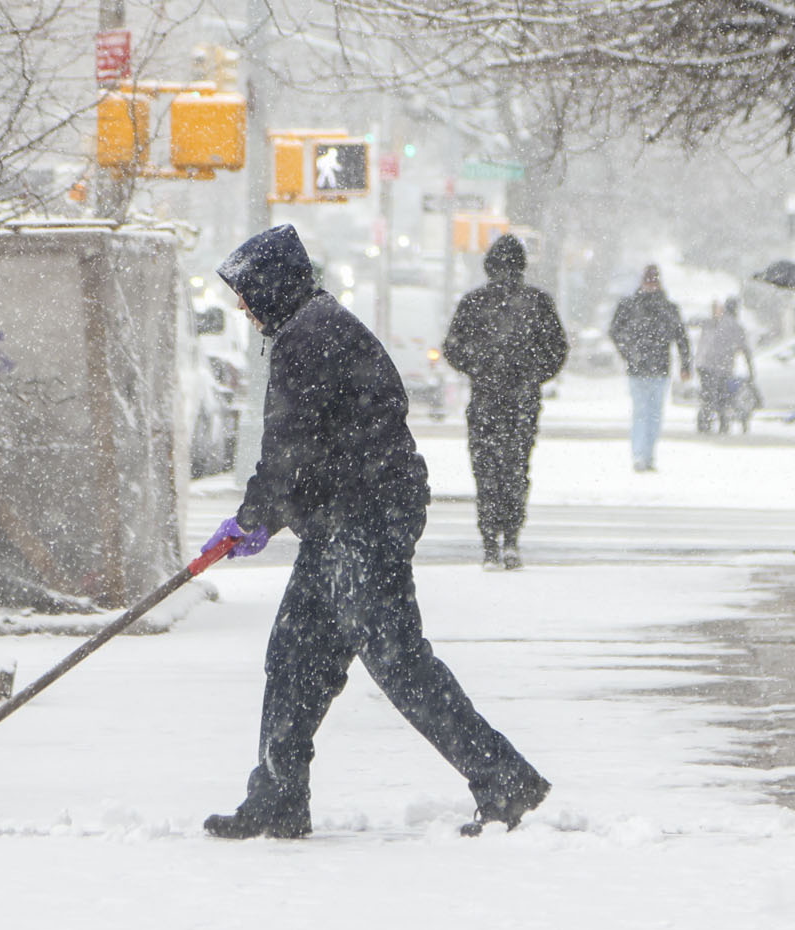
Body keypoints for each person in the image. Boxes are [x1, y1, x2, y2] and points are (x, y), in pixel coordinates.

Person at [199, 224, 551, 841]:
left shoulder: (306, 337)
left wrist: (254, 517)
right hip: (345, 517)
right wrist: (267, 513)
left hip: (363, 519)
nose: (242, 306)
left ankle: (503, 778)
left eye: (247, 292)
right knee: (296, 658)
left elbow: (289, 452)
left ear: (272, 286)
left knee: (397, 661)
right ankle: (278, 796)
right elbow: (309, 450)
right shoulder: (313, 326)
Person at [442, 234, 569, 570]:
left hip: (485, 398)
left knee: (485, 470)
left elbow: (452, 347)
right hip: (522, 400)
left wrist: (479, 368)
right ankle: (511, 537)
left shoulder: (473, 302)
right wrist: (531, 374)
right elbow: (557, 349)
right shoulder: (538, 302)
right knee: (516, 468)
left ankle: (489, 543)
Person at [608, 265, 690, 471]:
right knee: (645, 413)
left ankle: (646, 455)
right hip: (645, 368)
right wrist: (628, 352)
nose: (651, 286)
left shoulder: (638, 306)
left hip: (653, 368)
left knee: (650, 414)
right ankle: (641, 455)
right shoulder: (663, 307)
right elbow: (681, 337)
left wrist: (627, 350)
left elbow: (681, 338)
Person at [694, 295, 759, 435]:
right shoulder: (736, 327)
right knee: (722, 396)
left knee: (708, 396)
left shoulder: (714, 322)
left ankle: (704, 423)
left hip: (703, 364)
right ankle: (723, 424)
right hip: (721, 367)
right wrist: (751, 370)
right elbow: (745, 350)